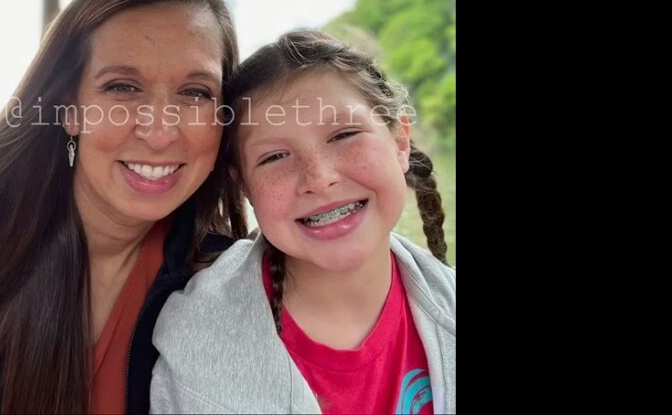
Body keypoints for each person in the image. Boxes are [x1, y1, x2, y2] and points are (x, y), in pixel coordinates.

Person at [0, 0, 249, 414]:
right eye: (122, 87)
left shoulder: (229, 281)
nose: (159, 133)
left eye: (195, 93)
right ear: (69, 109)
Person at [151, 30, 455, 414]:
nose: (319, 178)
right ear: (243, 183)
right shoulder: (196, 345)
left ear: (400, 142)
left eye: (344, 134)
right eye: (275, 157)